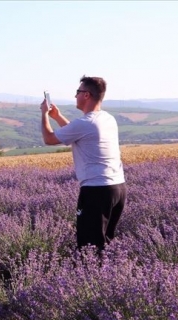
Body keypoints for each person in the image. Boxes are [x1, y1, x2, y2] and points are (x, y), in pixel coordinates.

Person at [40, 75, 126, 250]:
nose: (75, 96)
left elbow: (49, 139)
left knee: (89, 247)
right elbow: (79, 134)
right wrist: (58, 116)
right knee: (106, 244)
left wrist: (44, 115)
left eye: (78, 92)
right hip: (117, 188)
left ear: (86, 95)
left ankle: (93, 276)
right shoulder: (107, 119)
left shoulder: (86, 123)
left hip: (96, 191)